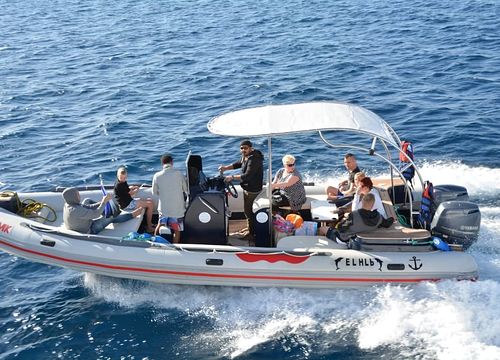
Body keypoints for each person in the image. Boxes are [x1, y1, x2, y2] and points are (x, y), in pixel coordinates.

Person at [218, 139, 264, 240]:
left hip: (252, 189)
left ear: (251, 148)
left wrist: (232, 177)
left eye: (246, 148)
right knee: (247, 211)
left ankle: (251, 234)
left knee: (248, 212)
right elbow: (239, 164)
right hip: (247, 188)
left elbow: (247, 176)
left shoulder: (254, 159)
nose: (243, 150)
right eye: (241, 148)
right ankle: (249, 228)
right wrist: (226, 168)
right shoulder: (246, 157)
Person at [62, 187, 143, 234]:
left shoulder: (69, 203)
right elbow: (96, 214)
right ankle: (132, 215)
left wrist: (102, 202)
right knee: (110, 216)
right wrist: (104, 202)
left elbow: (87, 206)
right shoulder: (76, 210)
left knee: (87, 200)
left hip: (80, 223)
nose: (79, 196)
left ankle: (106, 210)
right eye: (77, 195)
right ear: (73, 197)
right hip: (90, 229)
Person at [319, 193, 393, 243]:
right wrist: (392, 219)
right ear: (373, 204)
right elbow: (387, 223)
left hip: (345, 240)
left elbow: (342, 228)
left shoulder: (354, 215)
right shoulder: (378, 217)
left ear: (362, 202)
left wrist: (340, 223)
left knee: (322, 229)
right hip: (359, 239)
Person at [152, 154, 188, 243]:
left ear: (162, 164)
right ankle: (174, 248)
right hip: (177, 210)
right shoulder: (178, 174)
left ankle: (155, 243)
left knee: (159, 225)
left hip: (163, 209)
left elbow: (154, 192)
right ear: (172, 162)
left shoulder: (157, 176)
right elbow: (186, 189)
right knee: (176, 230)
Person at [114, 166, 154, 233]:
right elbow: (130, 193)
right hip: (127, 205)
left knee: (149, 200)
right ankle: (149, 227)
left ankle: (148, 223)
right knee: (150, 204)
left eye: (125, 178)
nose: (123, 179)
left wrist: (131, 187)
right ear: (118, 176)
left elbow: (126, 190)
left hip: (128, 202)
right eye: (121, 178)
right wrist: (136, 189)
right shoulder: (120, 185)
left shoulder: (120, 182)